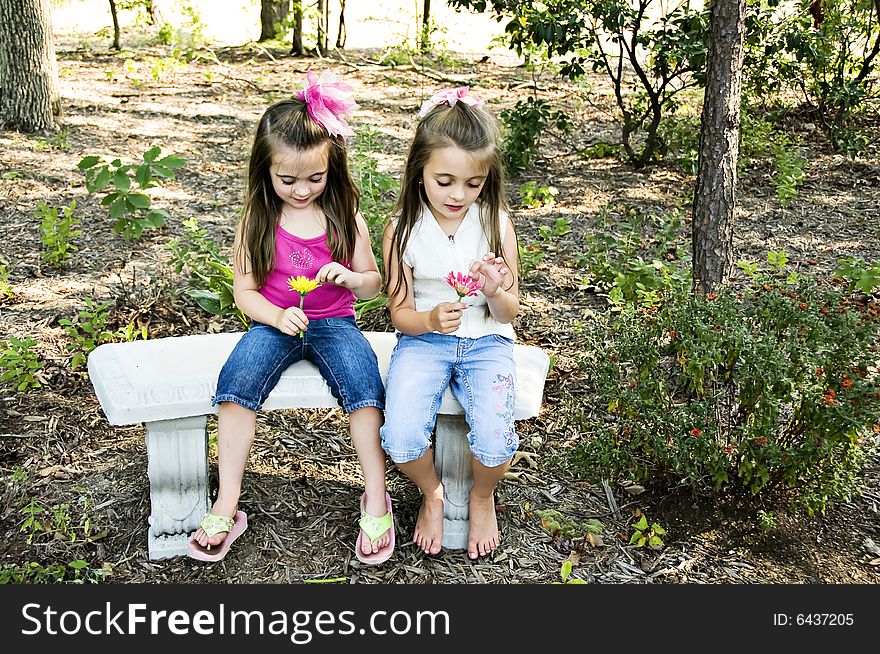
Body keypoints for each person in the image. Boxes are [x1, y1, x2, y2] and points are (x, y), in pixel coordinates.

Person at [188, 69, 394, 565]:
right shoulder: (257, 220)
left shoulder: (346, 218)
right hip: (273, 323)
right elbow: (245, 292)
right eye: (288, 179)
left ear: (333, 169)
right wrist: (276, 317)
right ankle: (228, 500)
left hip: (334, 324)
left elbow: (374, 280)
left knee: (364, 388)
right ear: (266, 172)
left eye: (315, 178)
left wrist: (349, 279)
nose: (302, 190)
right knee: (236, 386)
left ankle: (376, 494)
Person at [380, 87, 520, 560]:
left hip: (488, 342)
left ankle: (482, 496)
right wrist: (430, 318)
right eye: (444, 181)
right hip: (424, 342)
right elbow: (399, 313)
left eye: (473, 184)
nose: (459, 195)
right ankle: (432, 492)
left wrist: (498, 291)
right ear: (419, 171)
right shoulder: (402, 229)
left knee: (498, 440)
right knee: (399, 438)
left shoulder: (495, 223)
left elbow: (509, 312)